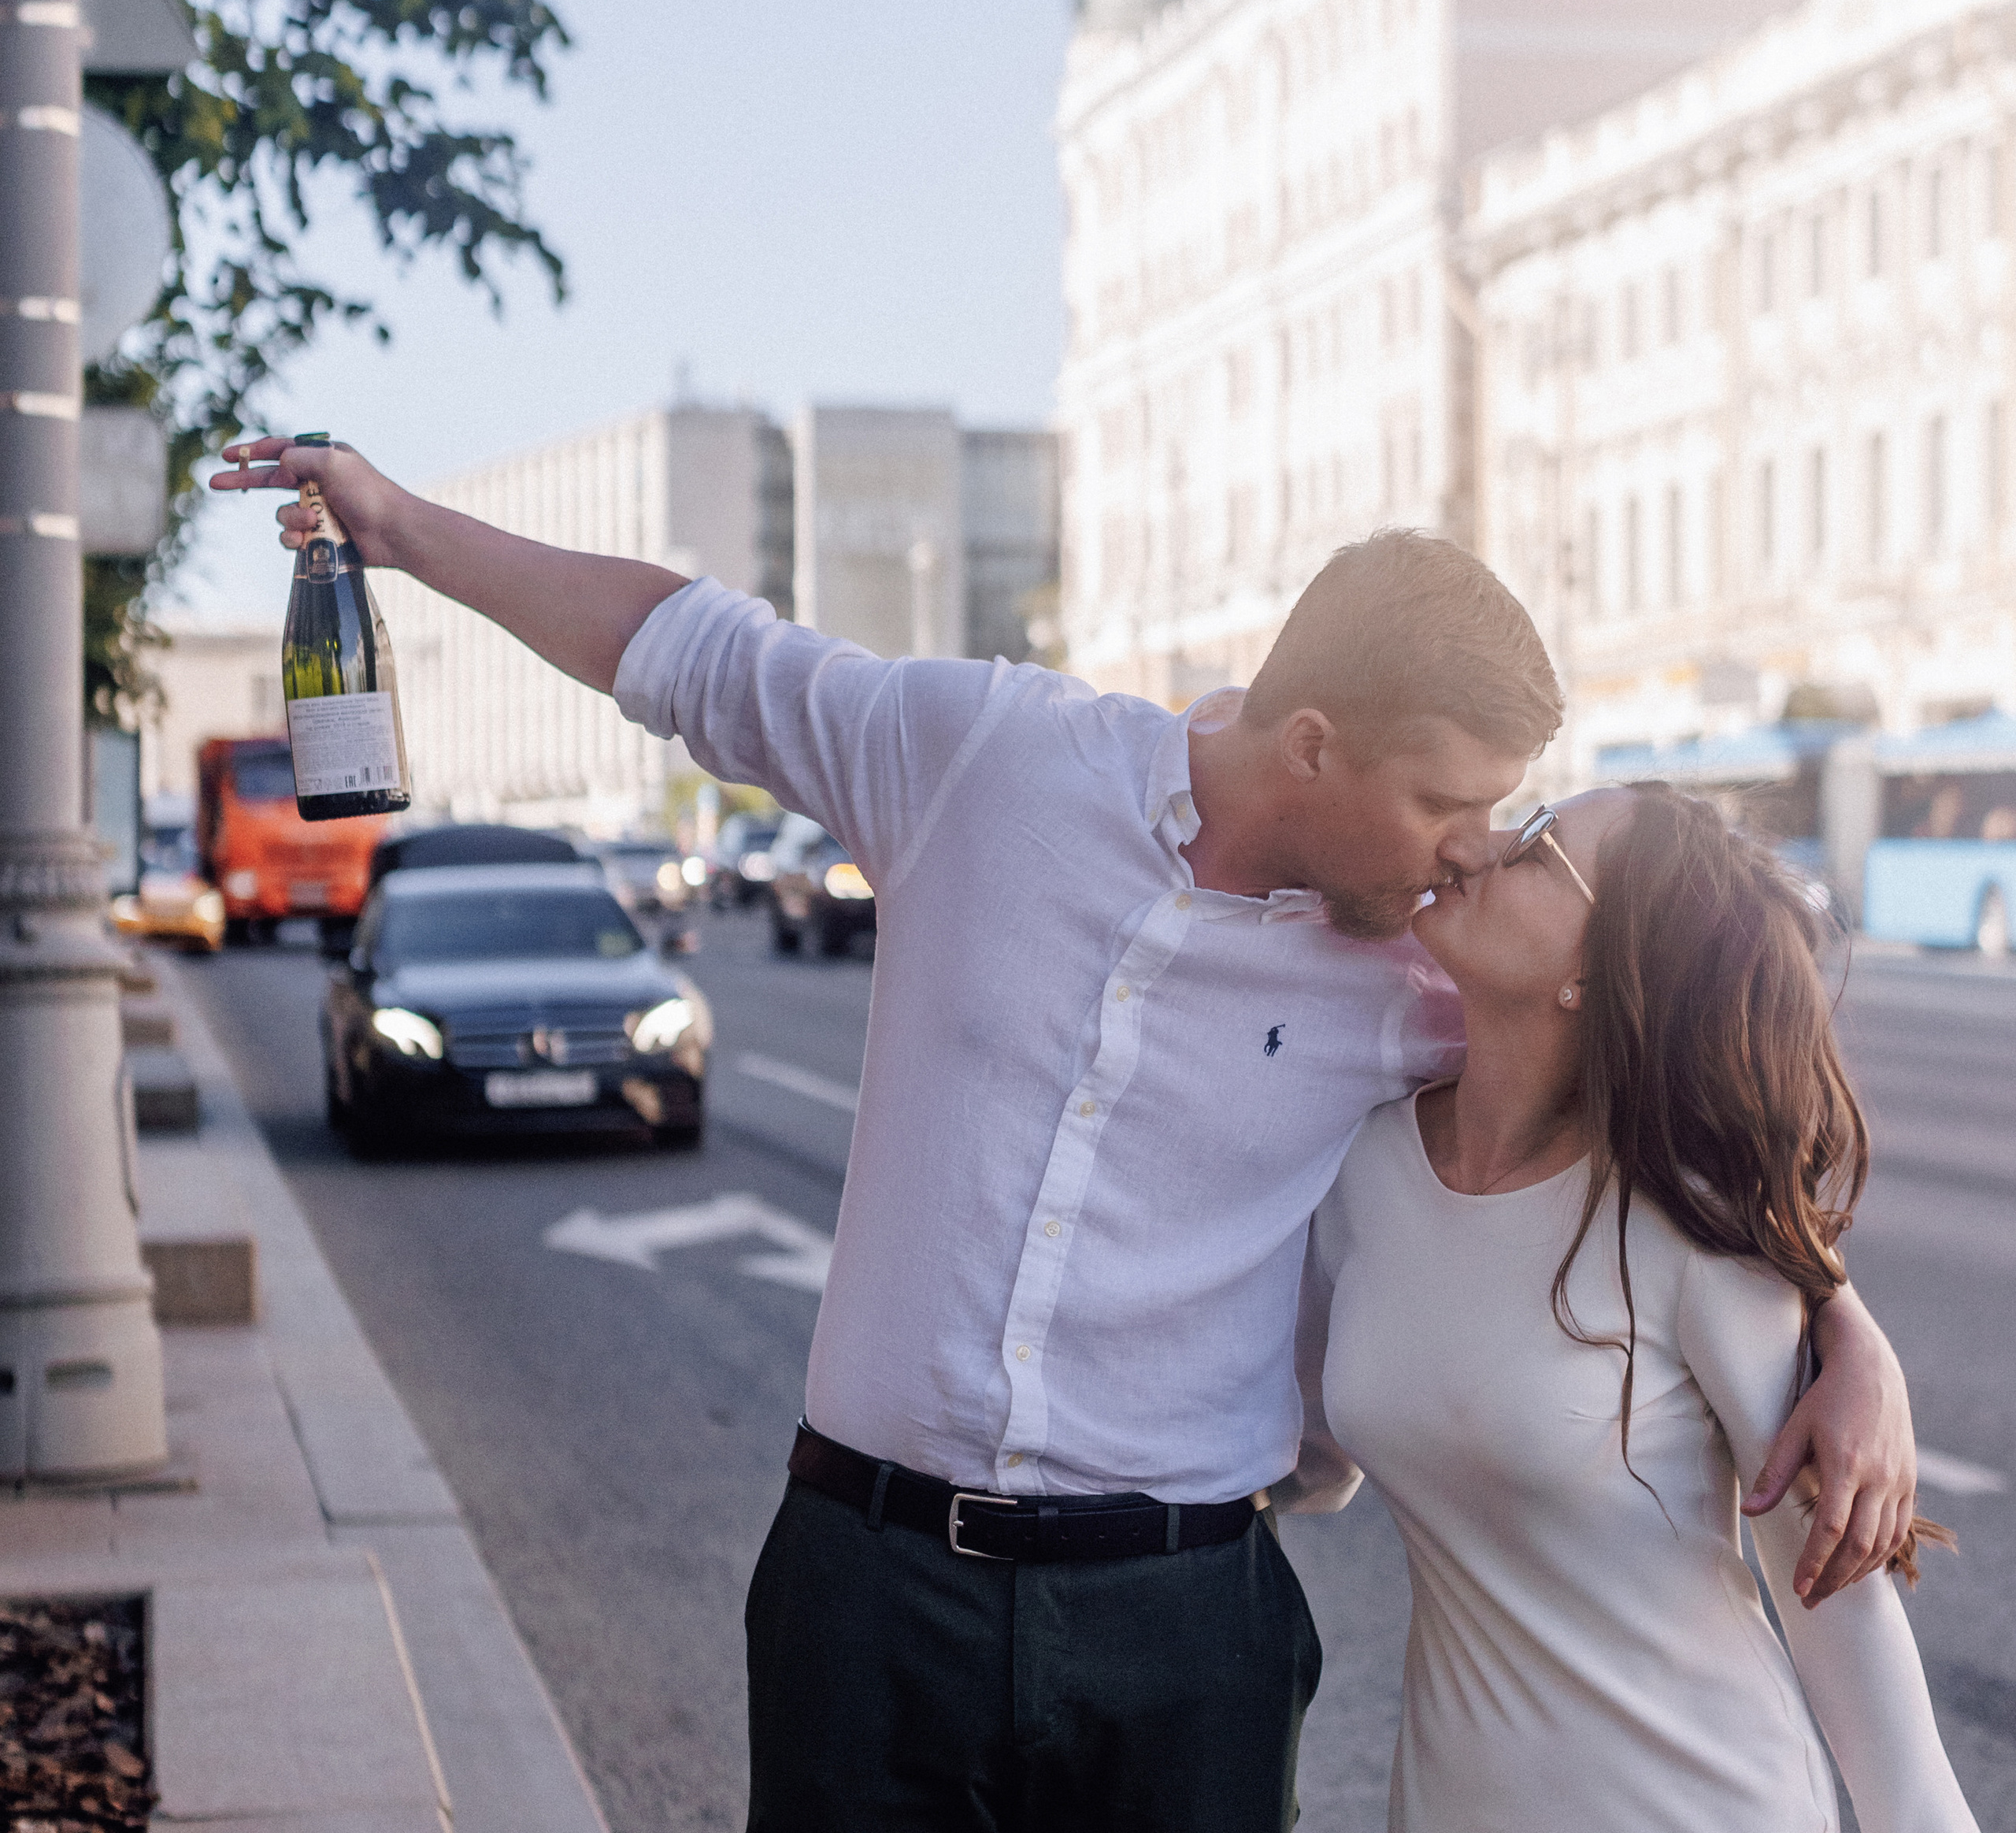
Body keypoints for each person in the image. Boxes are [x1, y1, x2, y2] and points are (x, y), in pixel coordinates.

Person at [212, 435, 1922, 1832]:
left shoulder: (1420, 968)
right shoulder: (988, 760)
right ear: (1311, 740)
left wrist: (1836, 1325)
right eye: (1440, 802)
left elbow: (1680, 1080)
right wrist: (406, 527)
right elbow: (689, 653)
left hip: (1181, 1624)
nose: (1459, 852)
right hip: (865, 1587)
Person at [1315, 785, 1976, 1831]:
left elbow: (1837, 1602)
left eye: (1535, 850)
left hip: (1697, 1801)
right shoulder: (1364, 1170)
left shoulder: (1689, 1224)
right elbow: (1297, 1461)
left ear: (1591, 971)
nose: (1482, 845)